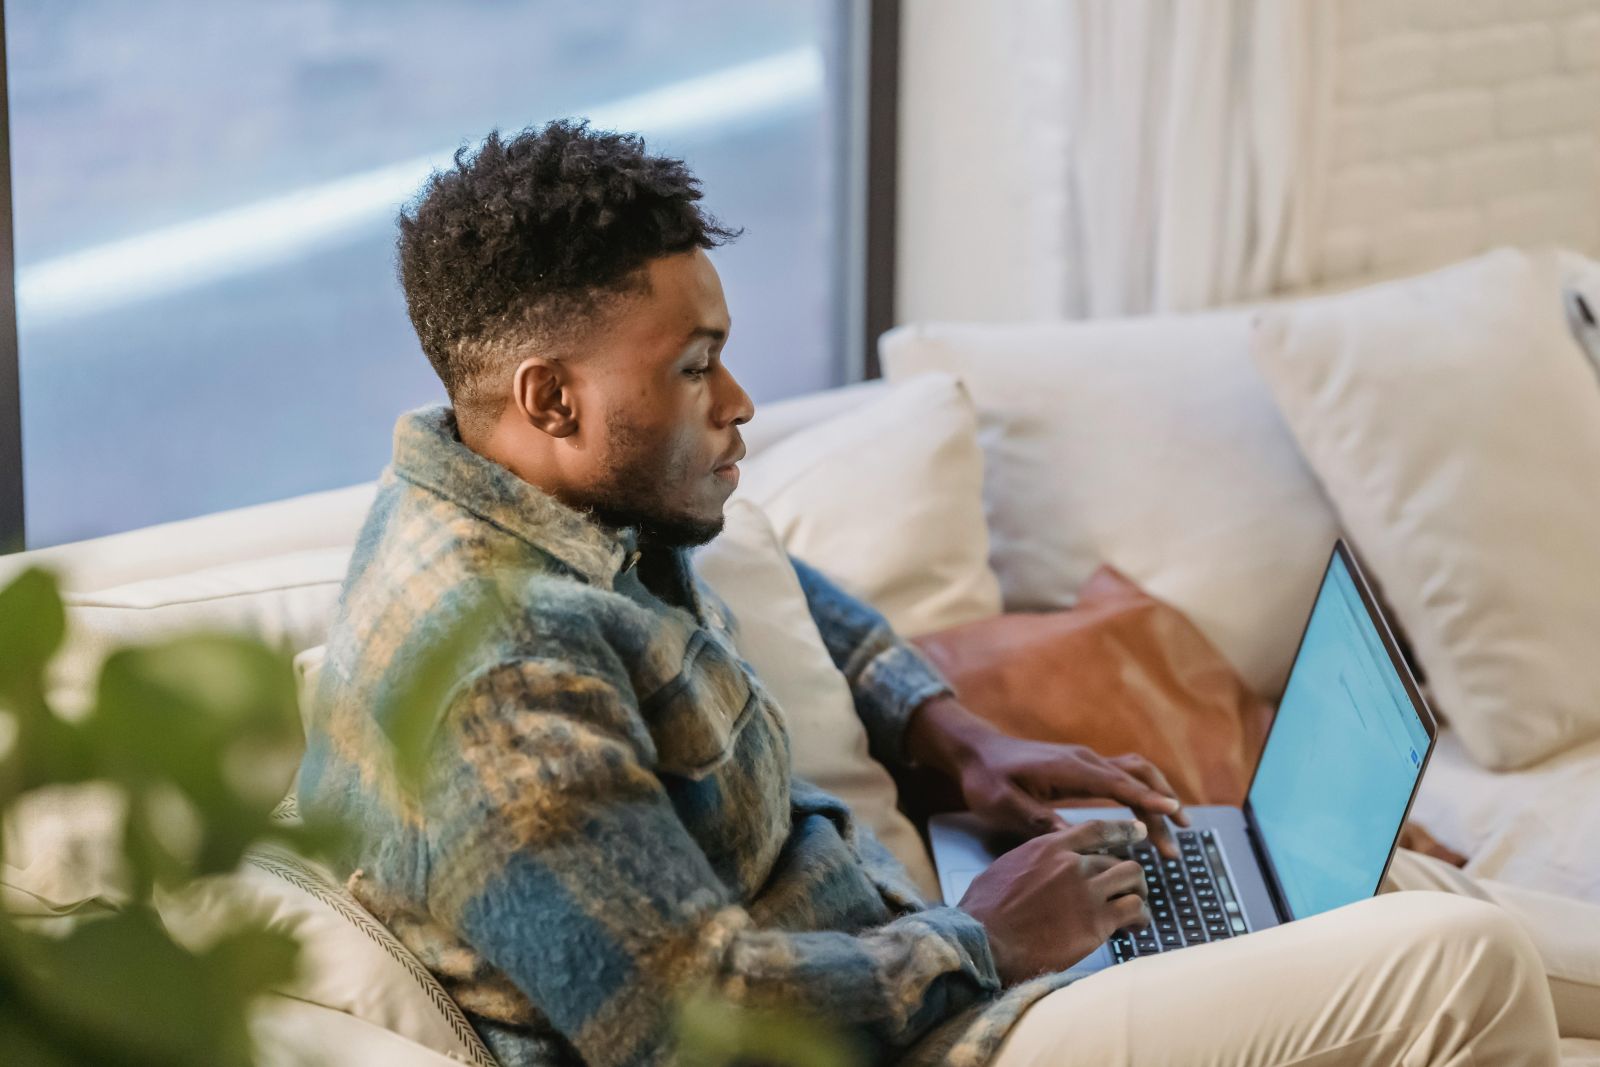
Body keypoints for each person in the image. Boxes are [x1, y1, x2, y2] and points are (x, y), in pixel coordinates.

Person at [297, 120, 1596, 1067]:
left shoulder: (576, 507)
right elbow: (693, 1031)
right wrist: (987, 937)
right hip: (908, 1036)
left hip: (902, 942)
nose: (738, 404)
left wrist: (952, 737)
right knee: (1450, 969)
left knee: (1383, 894)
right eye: (696, 366)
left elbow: (785, 578)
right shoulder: (499, 677)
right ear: (550, 396)